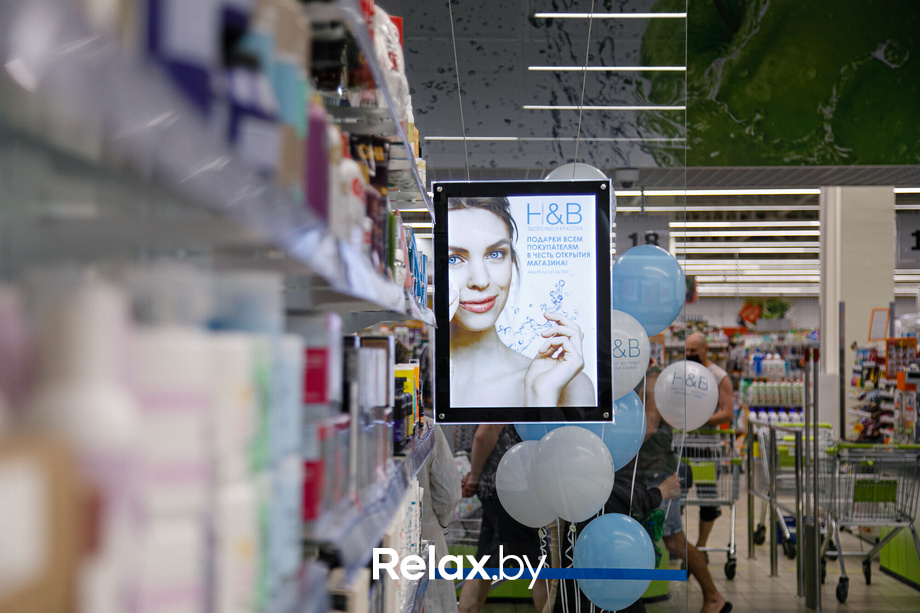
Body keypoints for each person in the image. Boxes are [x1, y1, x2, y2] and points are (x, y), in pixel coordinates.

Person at [447, 197, 594, 408]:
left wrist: (540, 396)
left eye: (495, 254)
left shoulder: (568, 385)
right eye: (454, 259)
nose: (480, 280)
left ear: (512, 262)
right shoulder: (416, 381)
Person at [639, 368, 732, 613]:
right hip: (647, 472)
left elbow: (649, 426)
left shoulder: (652, 380)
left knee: (674, 541)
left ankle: (713, 597)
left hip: (657, 472)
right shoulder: (640, 379)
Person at [552, 462, 681, 613]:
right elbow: (625, 496)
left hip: (595, 557)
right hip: (606, 558)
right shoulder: (605, 479)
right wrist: (659, 493)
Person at [459, 424, 549, 613]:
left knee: (485, 564)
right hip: (513, 491)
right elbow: (485, 433)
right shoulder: (504, 397)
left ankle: (467, 608)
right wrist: (475, 478)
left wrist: (477, 476)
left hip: (500, 489)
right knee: (541, 568)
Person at [685, 332, 735, 551]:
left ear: (705, 350)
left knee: (707, 499)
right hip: (682, 446)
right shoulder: (682, 373)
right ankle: (680, 545)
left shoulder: (719, 376)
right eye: (686, 351)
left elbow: (728, 413)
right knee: (676, 497)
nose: (689, 355)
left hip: (706, 447)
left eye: (693, 351)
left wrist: (700, 421)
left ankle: (700, 547)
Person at [418, 415, 463, 613]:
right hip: (428, 535)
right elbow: (449, 493)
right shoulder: (426, 426)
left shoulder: (361, 429)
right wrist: (441, 523)